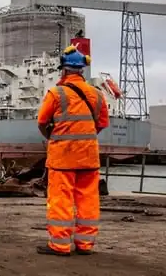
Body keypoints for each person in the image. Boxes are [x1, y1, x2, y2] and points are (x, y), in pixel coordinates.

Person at [36, 44, 109, 256]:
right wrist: (84, 137)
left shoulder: (56, 93)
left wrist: (53, 136)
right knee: (88, 199)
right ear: (81, 70)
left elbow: (42, 121)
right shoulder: (97, 94)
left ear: (64, 69)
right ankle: (85, 244)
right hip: (88, 157)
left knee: (61, 199)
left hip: (63, 158)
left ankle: (59, 244)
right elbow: (102, 123)